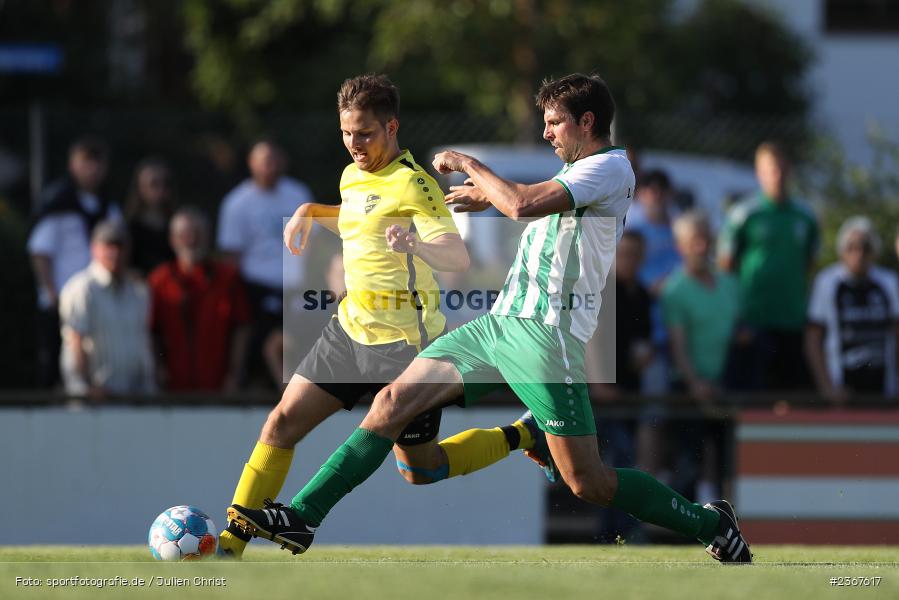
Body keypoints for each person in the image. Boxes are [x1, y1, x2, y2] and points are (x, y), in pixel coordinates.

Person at [229, 73, 752, 564]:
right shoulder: (577, 171)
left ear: (587, 121)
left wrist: (468, 164)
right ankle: (303, 517)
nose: (546, 133)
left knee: (588, 482)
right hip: (496, 325)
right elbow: (531, 208)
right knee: (390, 403)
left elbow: (523, 205)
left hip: (546, 338)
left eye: (554, 122)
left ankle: (711, 523)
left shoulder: (611, 167)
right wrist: (486, 197)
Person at [217, 74, 547, 559]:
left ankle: (523, 434)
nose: (355, 143)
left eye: (365, 133)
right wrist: (312, 210)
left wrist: (414, 244)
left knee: (421, 469)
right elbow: (358, 218)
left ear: (391, 127)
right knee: (280, 423)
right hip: (348, 332)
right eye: (347, 133)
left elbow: (456, 256)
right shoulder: (352, 174)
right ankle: (229, 548)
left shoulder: (414, 184)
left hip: (405, 347)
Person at [718, 141, 819, 391]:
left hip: (792, 318)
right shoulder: (744, 214)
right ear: (759, 173)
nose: (778, 176)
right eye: (772, 170)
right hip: (754, 319)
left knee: (791, 394)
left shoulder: (806, 216)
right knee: (755, 394)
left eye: (782, 169)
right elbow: (725, 265)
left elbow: (809, 263)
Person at [217, 139, 313, 387]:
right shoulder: (237, 202)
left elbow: (311, 243)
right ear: (251, 163)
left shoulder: (298, 195)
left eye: (273, 160)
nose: (269, 167)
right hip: (254, 289)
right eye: (263, 161)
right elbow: (231, 255)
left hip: (294, 288)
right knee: (256, 347)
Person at [661, 211, 741, 504]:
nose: (703, 246)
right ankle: (681, 529)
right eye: (696, 240)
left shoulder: (730, 284)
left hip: (726, 388)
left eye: (706, 239)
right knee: (688, 467)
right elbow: (678, 345)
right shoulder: (675, 290)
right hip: (689, 391)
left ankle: (728, 525)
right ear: (681, 246)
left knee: (729, 468)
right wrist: (695, 383)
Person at [28, 136, 120, 388]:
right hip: (61, 302)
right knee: (57, 369)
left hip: (98, 303)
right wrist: (50, 293)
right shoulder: (58, 203)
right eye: (85, 162)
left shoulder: (108, 205)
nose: (91, 169)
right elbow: (40, 251)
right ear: (72, 165)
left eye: (97, 163)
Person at [148, 207, 251, 392]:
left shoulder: (228, 278)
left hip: (219, 385)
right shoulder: (159, 281)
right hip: (172, 388)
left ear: (208, 237)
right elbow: (150, 331)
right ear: (172, 239)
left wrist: (235, 373)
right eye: (184, 235)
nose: (191, 240)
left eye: (197, 233)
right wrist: (157, 368)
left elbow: (241, 328)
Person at [805, 216, 899, 403]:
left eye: (866, 247)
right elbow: (813, 339)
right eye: (851, 247)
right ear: (841, 251)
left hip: (883, 391)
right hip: (841, 391)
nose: (859, 254)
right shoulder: (827, 283)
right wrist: (827, 388)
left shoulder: (889, 282)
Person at [58, 220, 154, 397]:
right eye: (108, 246)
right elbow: (75, 341)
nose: (114, 253)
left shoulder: (138, 290)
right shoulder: (82, 288)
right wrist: (85, 388)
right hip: (95, 400)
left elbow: (143, 340)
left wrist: (148, 387)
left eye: (120, 246)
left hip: (133, 398)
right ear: (94, 248)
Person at [126, 158, 177, 276]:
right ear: (140, 187)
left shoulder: (177, 227)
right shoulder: (128, 229)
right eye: (154, 184)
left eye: (166, 184)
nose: (160, 190)